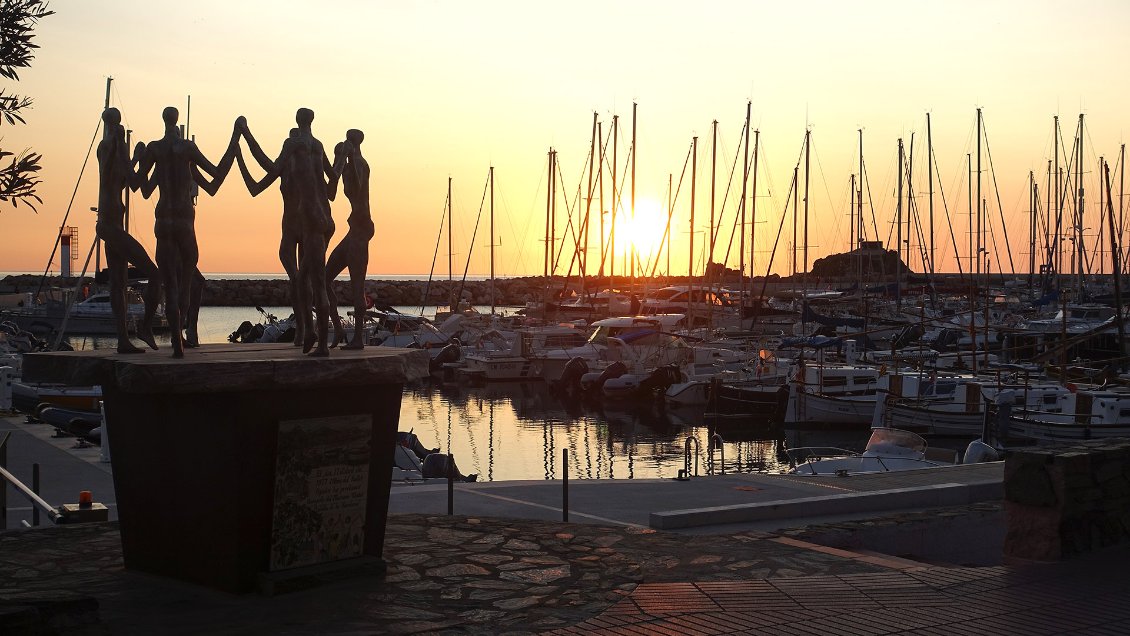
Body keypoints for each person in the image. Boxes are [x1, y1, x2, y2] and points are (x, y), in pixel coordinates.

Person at [134, 106, 239, 357]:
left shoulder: (155, 149)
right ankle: (183, 336)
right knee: (186, 282)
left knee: (170, 283)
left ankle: (177, 342)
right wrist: (234, 144)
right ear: (178, 121)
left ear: (163, 120)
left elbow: (142, 188)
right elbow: (216, 176)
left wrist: (137, 158)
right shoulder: (188, 150)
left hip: (163, 221)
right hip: (183, 222)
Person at [236, 109, 336, 356]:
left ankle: (321, 344)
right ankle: (309, 332)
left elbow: (270, 168)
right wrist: (342, 156)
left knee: (317, 283)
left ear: (297, 122)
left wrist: (244, 140)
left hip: (308, 221)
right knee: (304, 280)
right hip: (323, 217)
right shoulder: (319, 145)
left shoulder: (293, 145)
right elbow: (333, 183)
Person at [95, 107, 161, 353]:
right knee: (154, 274)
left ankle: (123, 340)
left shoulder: (103, 147)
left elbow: (118, 180)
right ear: (118, 122)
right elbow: (134, 184)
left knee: (118, 284)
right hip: (112, 226)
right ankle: (145, 327)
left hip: (106, 223)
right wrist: (144, 160)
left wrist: (133, 159)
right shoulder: (117, 142)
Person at [325, 130, 373, 349]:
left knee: (357, 285)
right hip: (352, 229)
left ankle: (358, 339)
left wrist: (350, 158)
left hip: (361, 231)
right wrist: (334, 164)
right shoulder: (347, 166)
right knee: (324, 278)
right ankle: (338, 327)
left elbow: (359, 185)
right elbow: (331, 194)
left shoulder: (360, 164)